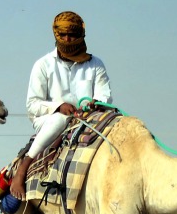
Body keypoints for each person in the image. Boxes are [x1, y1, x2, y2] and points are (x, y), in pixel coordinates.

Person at [10, 11, 112, 200]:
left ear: (81, 36)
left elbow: (104, 95)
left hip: (88, 120)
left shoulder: (96, 64)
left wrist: (94, 104)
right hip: (49, 120)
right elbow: (32, 104)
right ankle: (23, 168)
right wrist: (58, 106)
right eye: (63, 35)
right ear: (56, 35)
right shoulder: (43, 65)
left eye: (72, 35)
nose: (67, 39)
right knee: (60, 120)